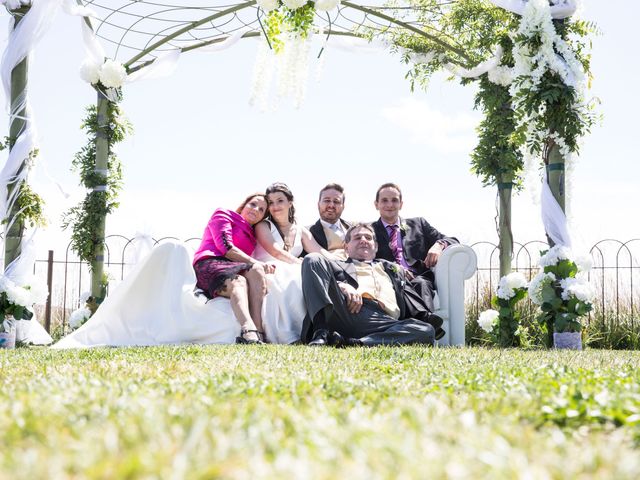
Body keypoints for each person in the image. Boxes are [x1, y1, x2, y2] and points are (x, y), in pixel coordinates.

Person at [53, 193, 272, 349]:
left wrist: (259, 265)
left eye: (261, 210)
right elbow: (225, 247)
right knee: (240, 281)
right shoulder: (224, 215)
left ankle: (260, 333)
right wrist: (254, 261)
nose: (256, 210)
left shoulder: (253, 236)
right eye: (253, 204)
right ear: (244, 204)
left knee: (257, 273)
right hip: (210, 264)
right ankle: (248, 330)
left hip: (235, 266)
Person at [301, 223, 439, 347]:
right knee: (312, 258)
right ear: (346, 247)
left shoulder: (392, 269)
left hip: (384, 322)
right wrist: (341, 285)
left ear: (376, 246)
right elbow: (318, 275)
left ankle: (355, 343)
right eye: (357, 237)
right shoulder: (336, 265)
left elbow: (416, 286)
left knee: (426, 331)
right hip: (347, 310)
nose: (363, 240)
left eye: (368, 237)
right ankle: (321, 332)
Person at [253, 182, 334, 343]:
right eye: (271, 202)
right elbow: (275, 251)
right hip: (269, 269)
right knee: (292, 279)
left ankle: (317, 329)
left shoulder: (300, 230)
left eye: (280, 200)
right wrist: (300, 264)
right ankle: (291, 333)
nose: (275, 206)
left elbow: (319, 251)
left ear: (290, 202)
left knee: (310, 278)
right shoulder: (263, 226)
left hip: (292, 268)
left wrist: (342, 261)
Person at [372, 183, 456, 332]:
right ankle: (428, 326)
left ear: (401, 204)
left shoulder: (419, 224)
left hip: (418, 277)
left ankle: (423, 327)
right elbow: (365, 258)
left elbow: (453, 240)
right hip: (390, 280)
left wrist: (439, 244)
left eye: (394, 200)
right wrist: (396, 269)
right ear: (376, 204)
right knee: (401, 285)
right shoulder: (368, 231)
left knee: (422, 283)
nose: (390, 205)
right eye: (384, 200)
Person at [307, 183, 351, 259]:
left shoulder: (352, 228)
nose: (331, 205)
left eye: (336, 201)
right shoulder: (309, 234)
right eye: (327, 200)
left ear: (343, 206)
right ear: (318, 204)